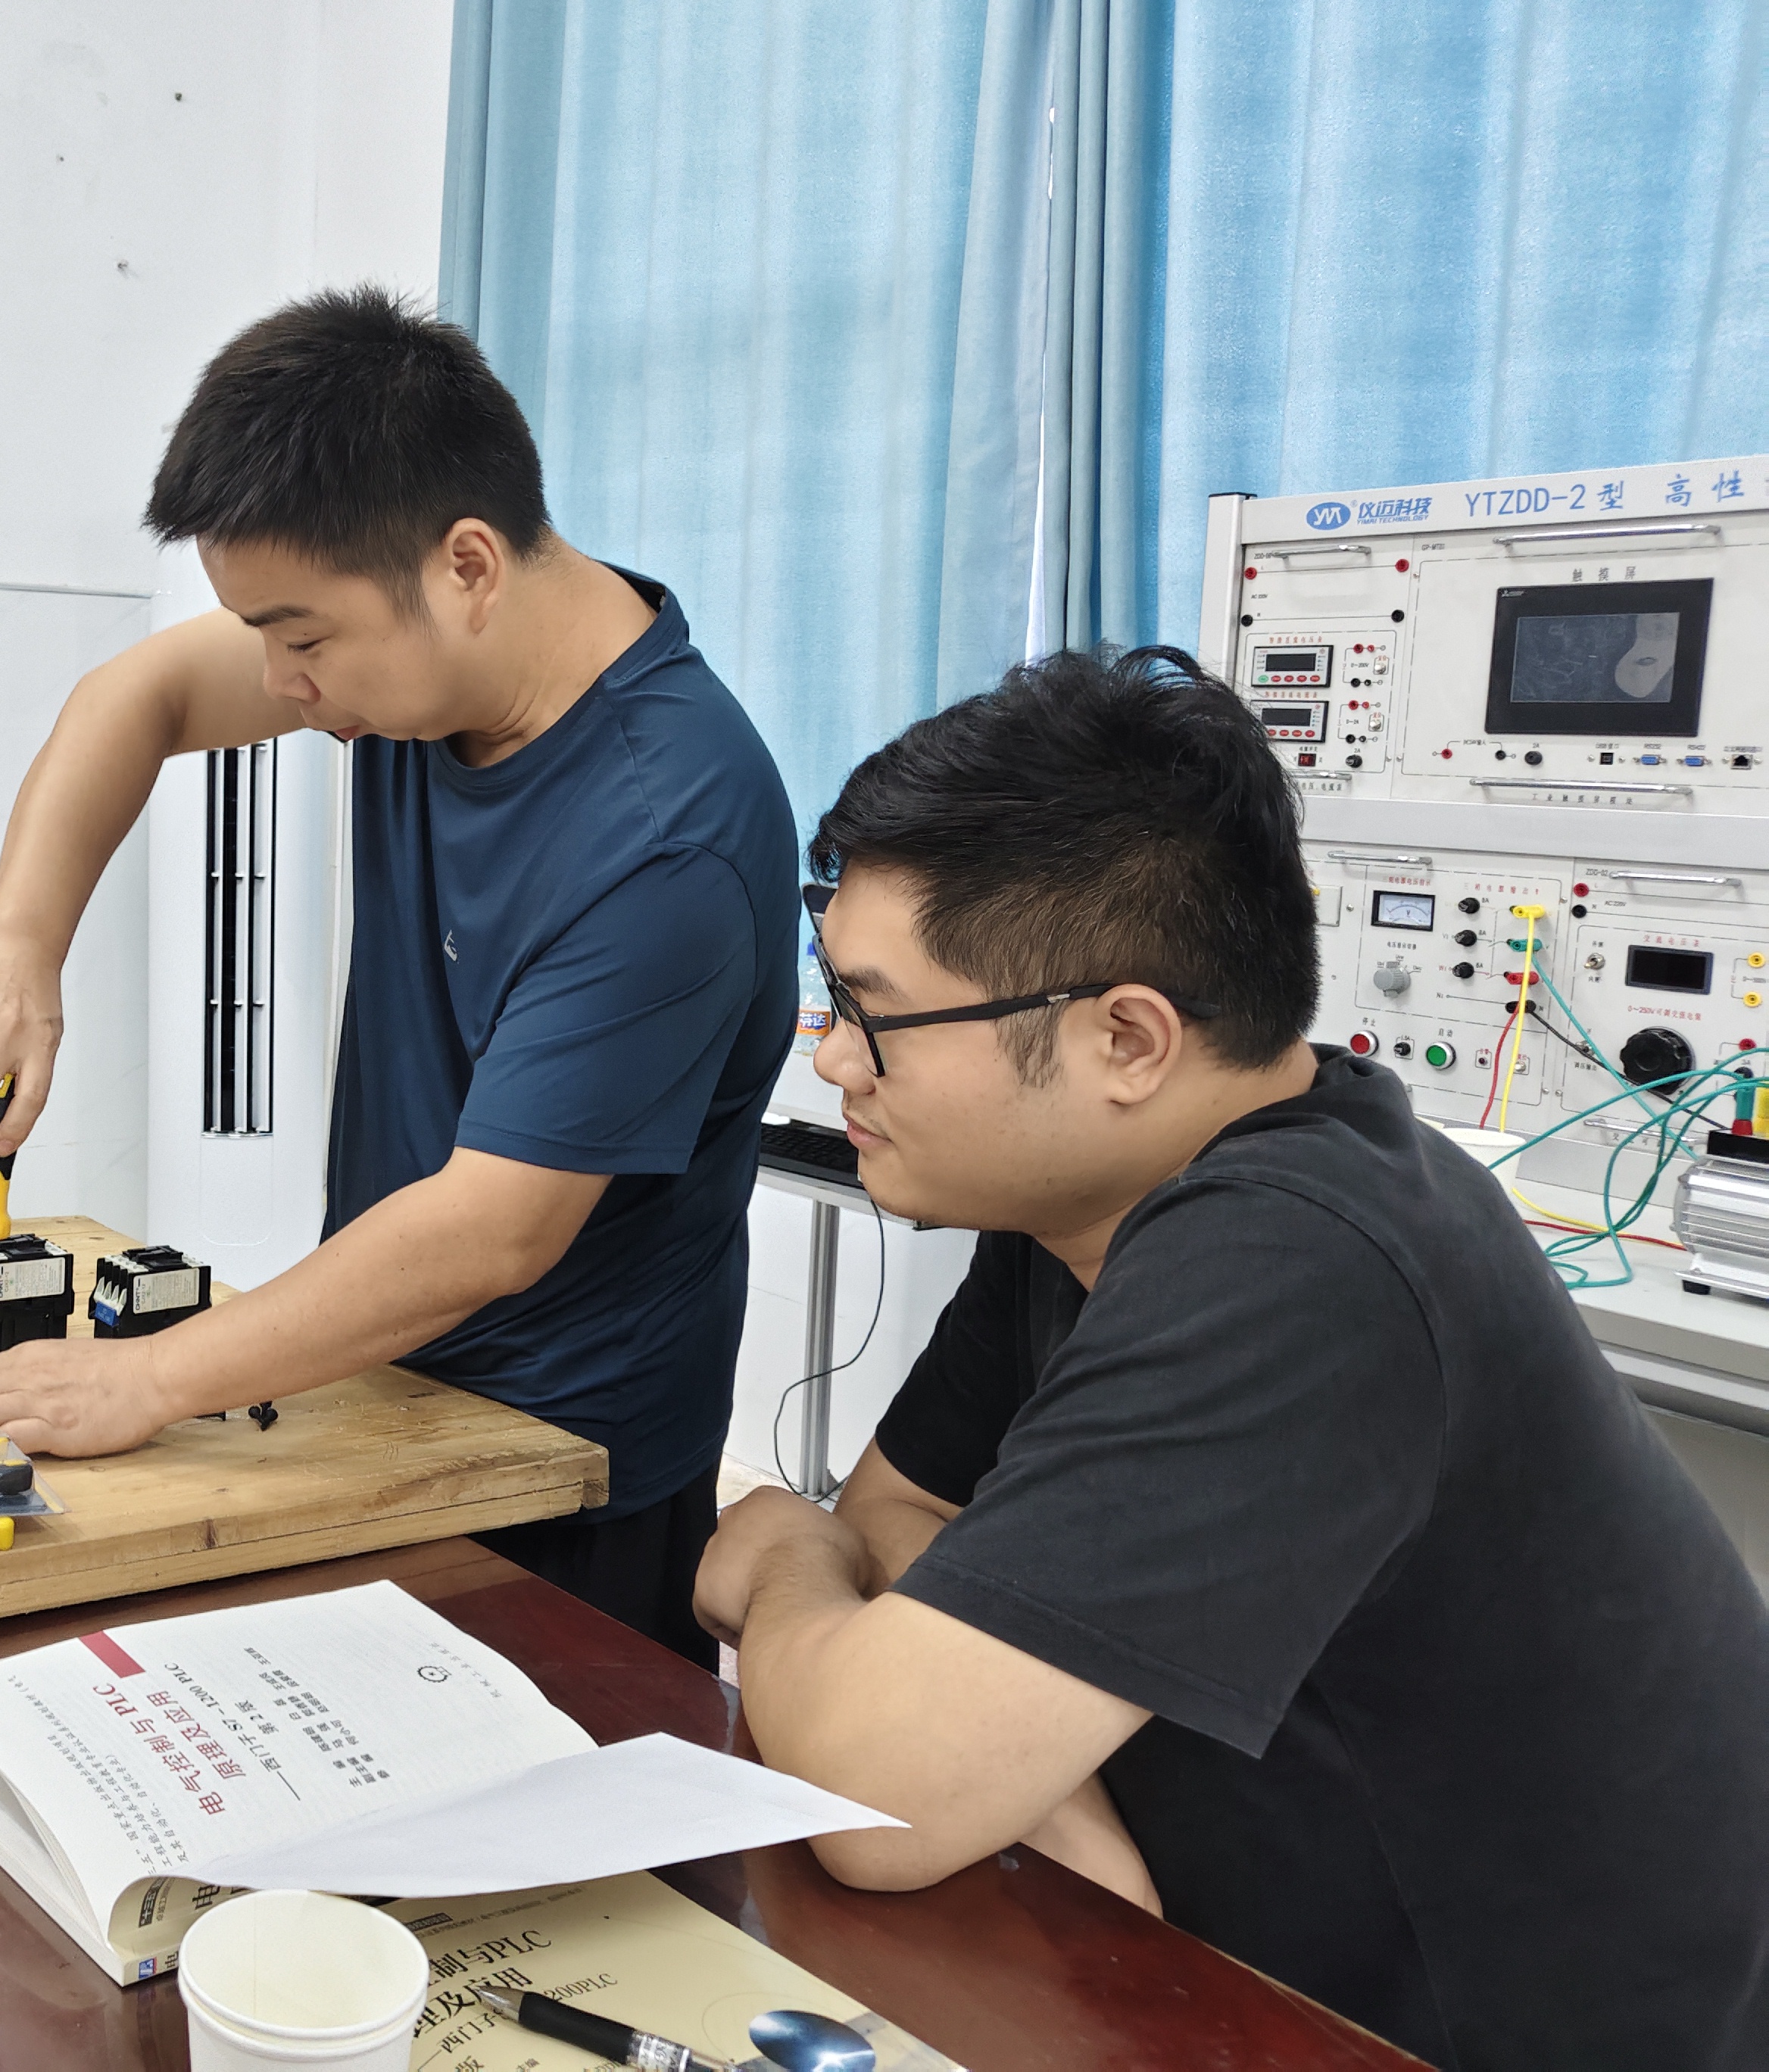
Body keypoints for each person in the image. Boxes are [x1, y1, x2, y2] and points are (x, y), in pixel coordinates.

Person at [694, 646, 1769, 2072]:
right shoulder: (1091, 1202)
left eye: (874, 1015)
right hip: (1213, 1964)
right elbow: (902, 1510)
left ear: (1127, 1039)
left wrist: (781, 1546)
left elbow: (876, 1786)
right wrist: (1048, 1799)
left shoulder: (1300, 1256)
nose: (833, 1060)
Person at [0, 287, 796, 1663]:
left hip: (561, 1468)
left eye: (303, 639)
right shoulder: (430, 669)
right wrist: (19, 943)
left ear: (467, 567)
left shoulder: (664, 832)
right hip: (385, 1384)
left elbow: (492, 1232)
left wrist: (150, 1378)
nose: (280, 684)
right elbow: (136, 699)